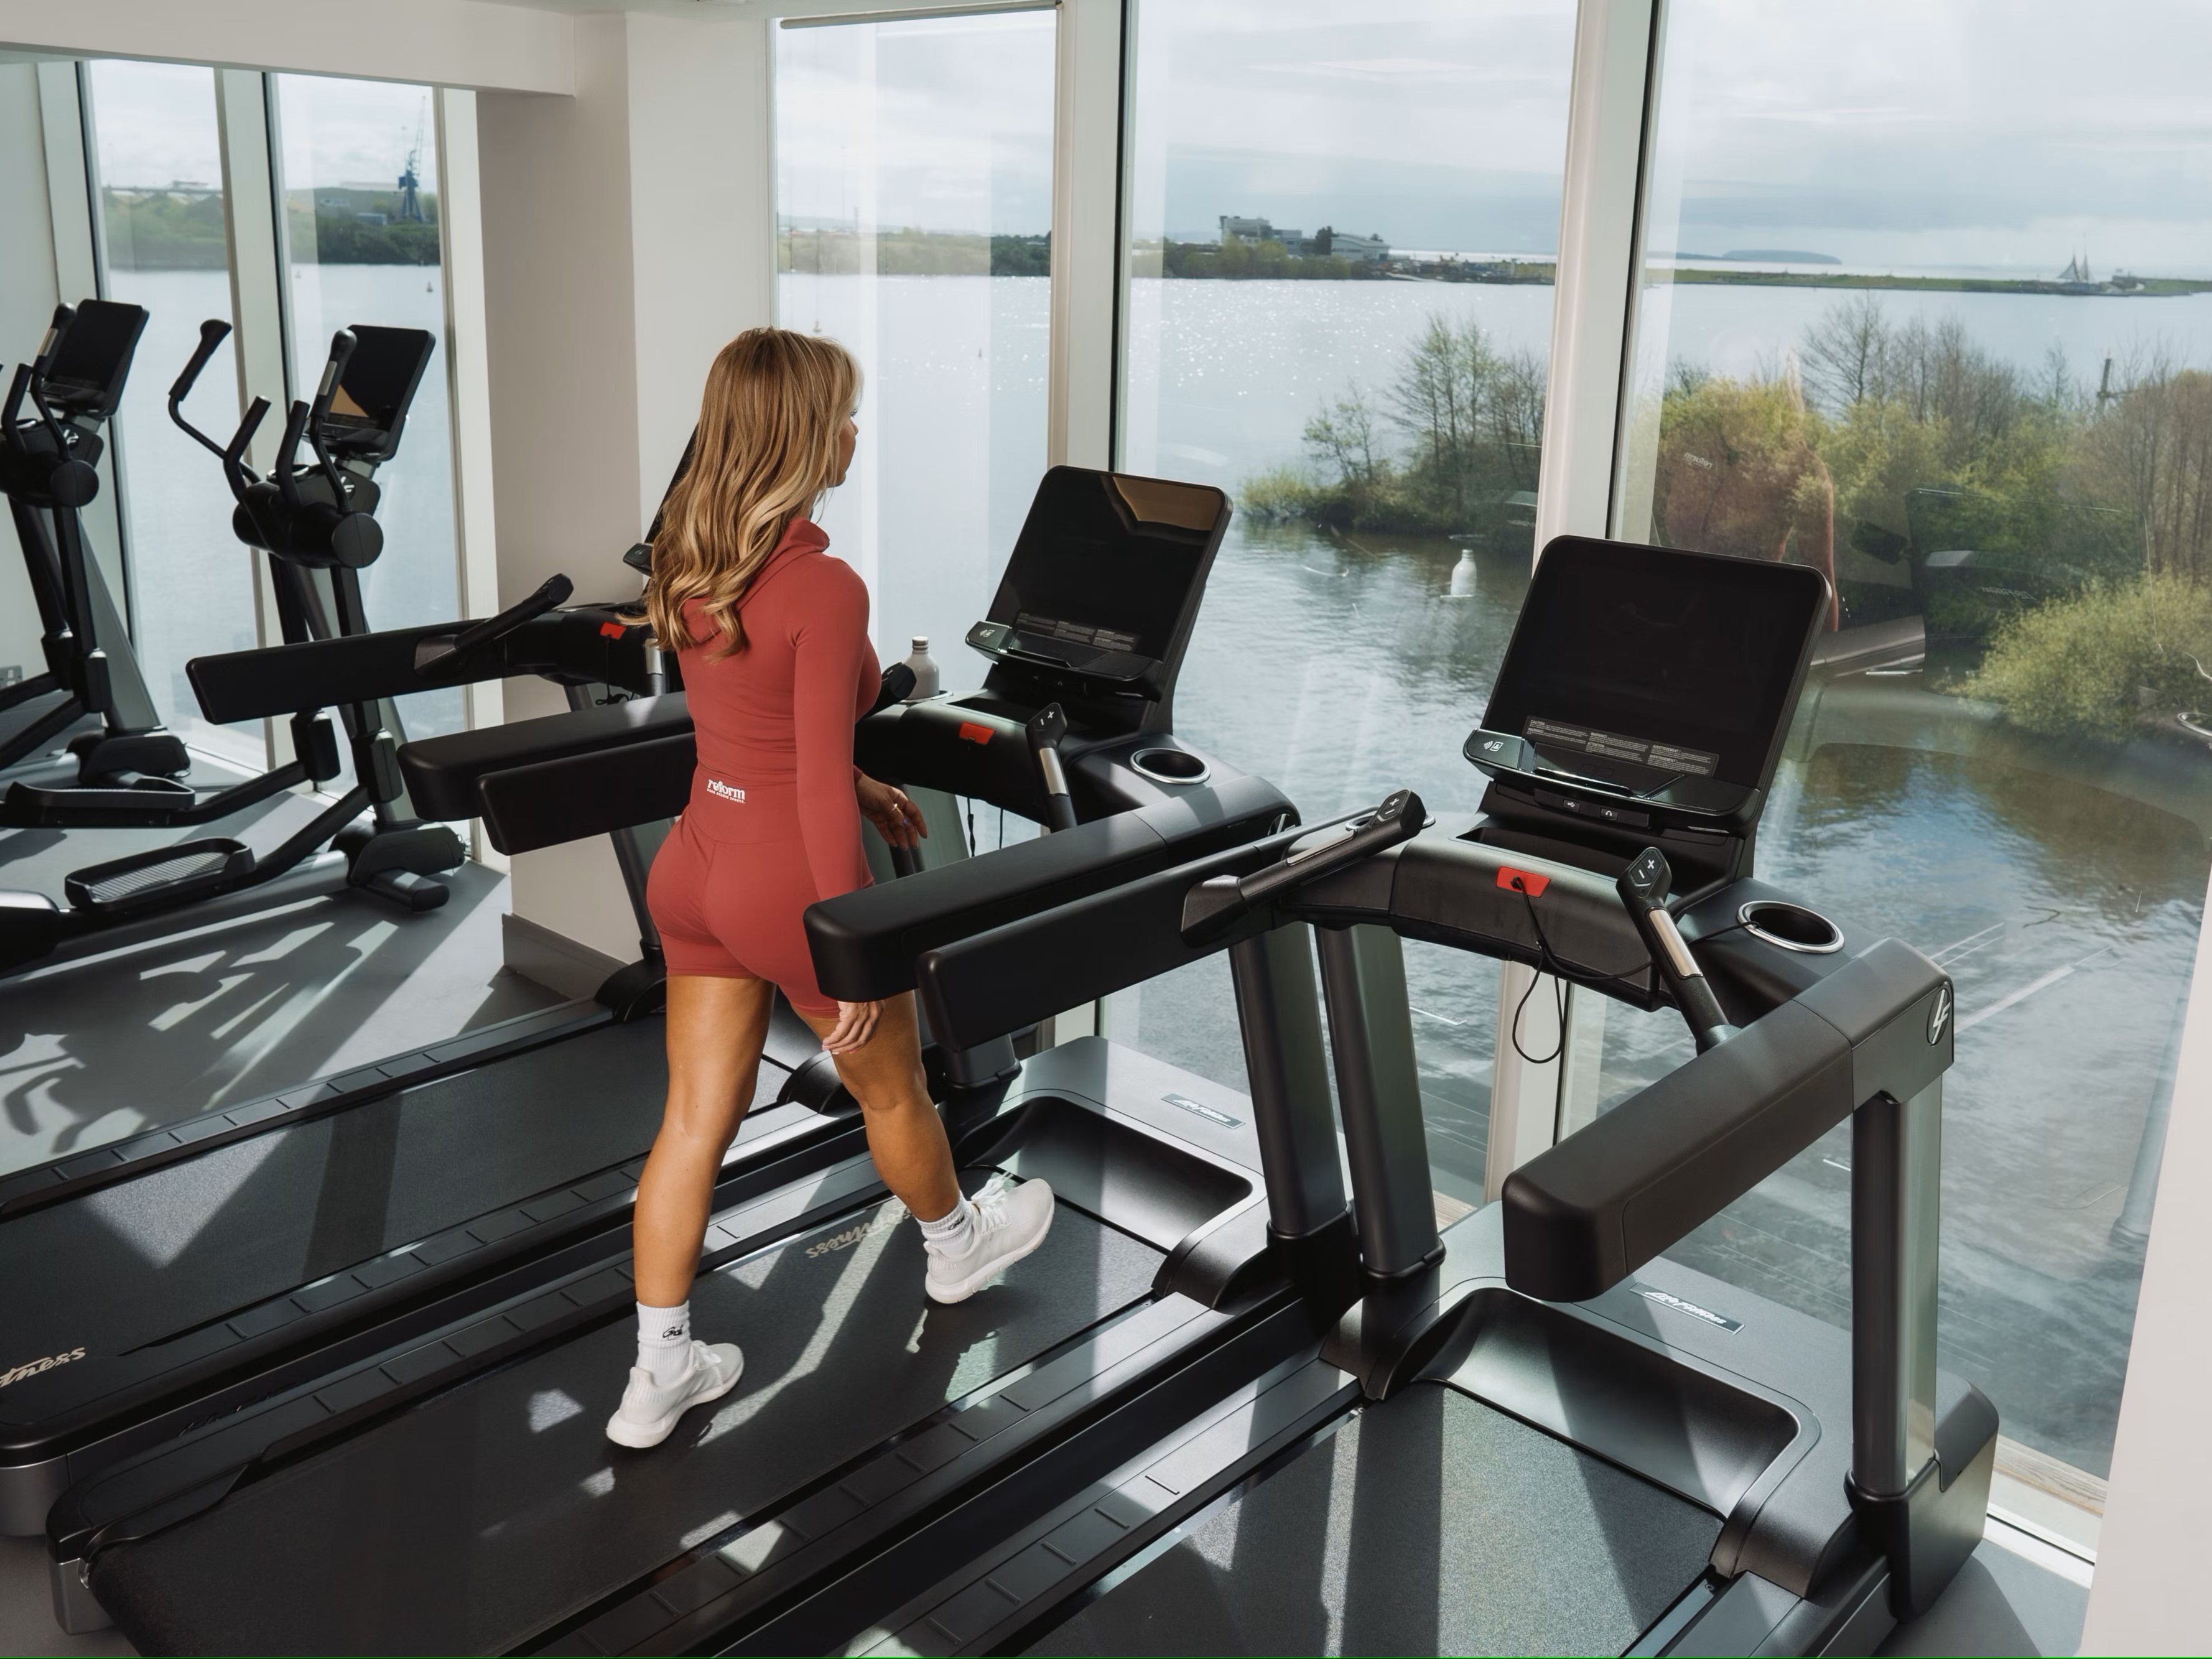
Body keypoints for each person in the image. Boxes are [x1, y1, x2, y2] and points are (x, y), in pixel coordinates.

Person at [606, 328, 1054, 1450]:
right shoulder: (824, 585)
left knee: (690, 1125)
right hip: (782, 888)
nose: (856, 433)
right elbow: (806, 789)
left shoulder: (690, 561)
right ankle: (958, 1249)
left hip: (696, 863)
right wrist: (850, 936)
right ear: (808, 439)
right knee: (894, 1092)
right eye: (844, 416)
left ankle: (659, 1372)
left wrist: (858, 775)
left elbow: (762, 738)